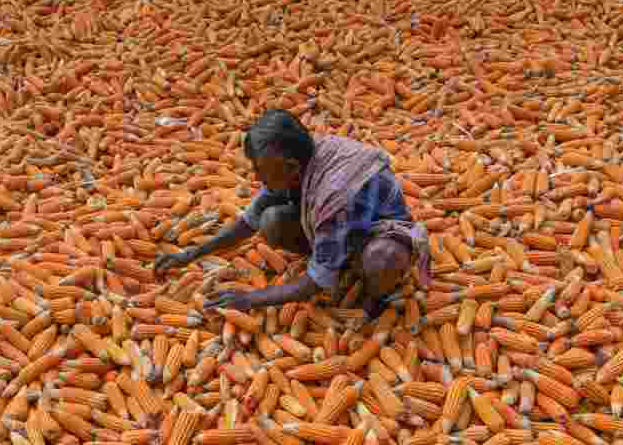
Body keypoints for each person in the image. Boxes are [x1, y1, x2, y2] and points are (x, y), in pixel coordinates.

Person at [154, 109, 431, 318]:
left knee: (382, 260)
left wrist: (250, 299)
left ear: (290, 168)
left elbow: (314, 284)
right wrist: (190, 254)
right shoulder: (299, 160)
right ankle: (334, 257)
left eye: (260, 170)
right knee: (270, 221)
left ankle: (377, 296)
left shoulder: (333, 196)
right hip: (340, 229)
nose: (255, 176)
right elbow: (247, 223)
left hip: (378, 233)